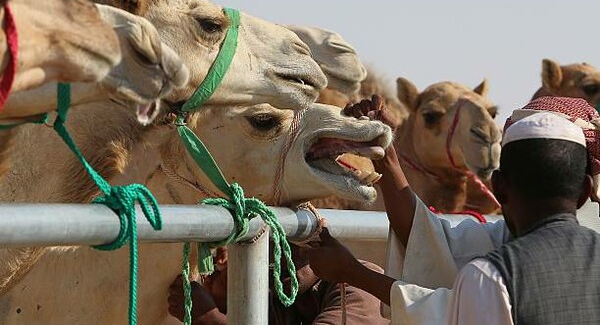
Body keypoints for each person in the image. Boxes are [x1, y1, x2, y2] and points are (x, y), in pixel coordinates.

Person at [307, 96, 600, 324]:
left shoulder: (491, 275)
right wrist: (387, 156)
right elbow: (429, 240)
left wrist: (353, 272)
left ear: (498, 188)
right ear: (585, 188)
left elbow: (449, 315)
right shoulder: (508, 239)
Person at [167, 244, 390, 324]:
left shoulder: (356, 284)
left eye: (290, 240)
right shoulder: (270, 296)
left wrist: (211, 318)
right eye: (268, 243)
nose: (280, 254)